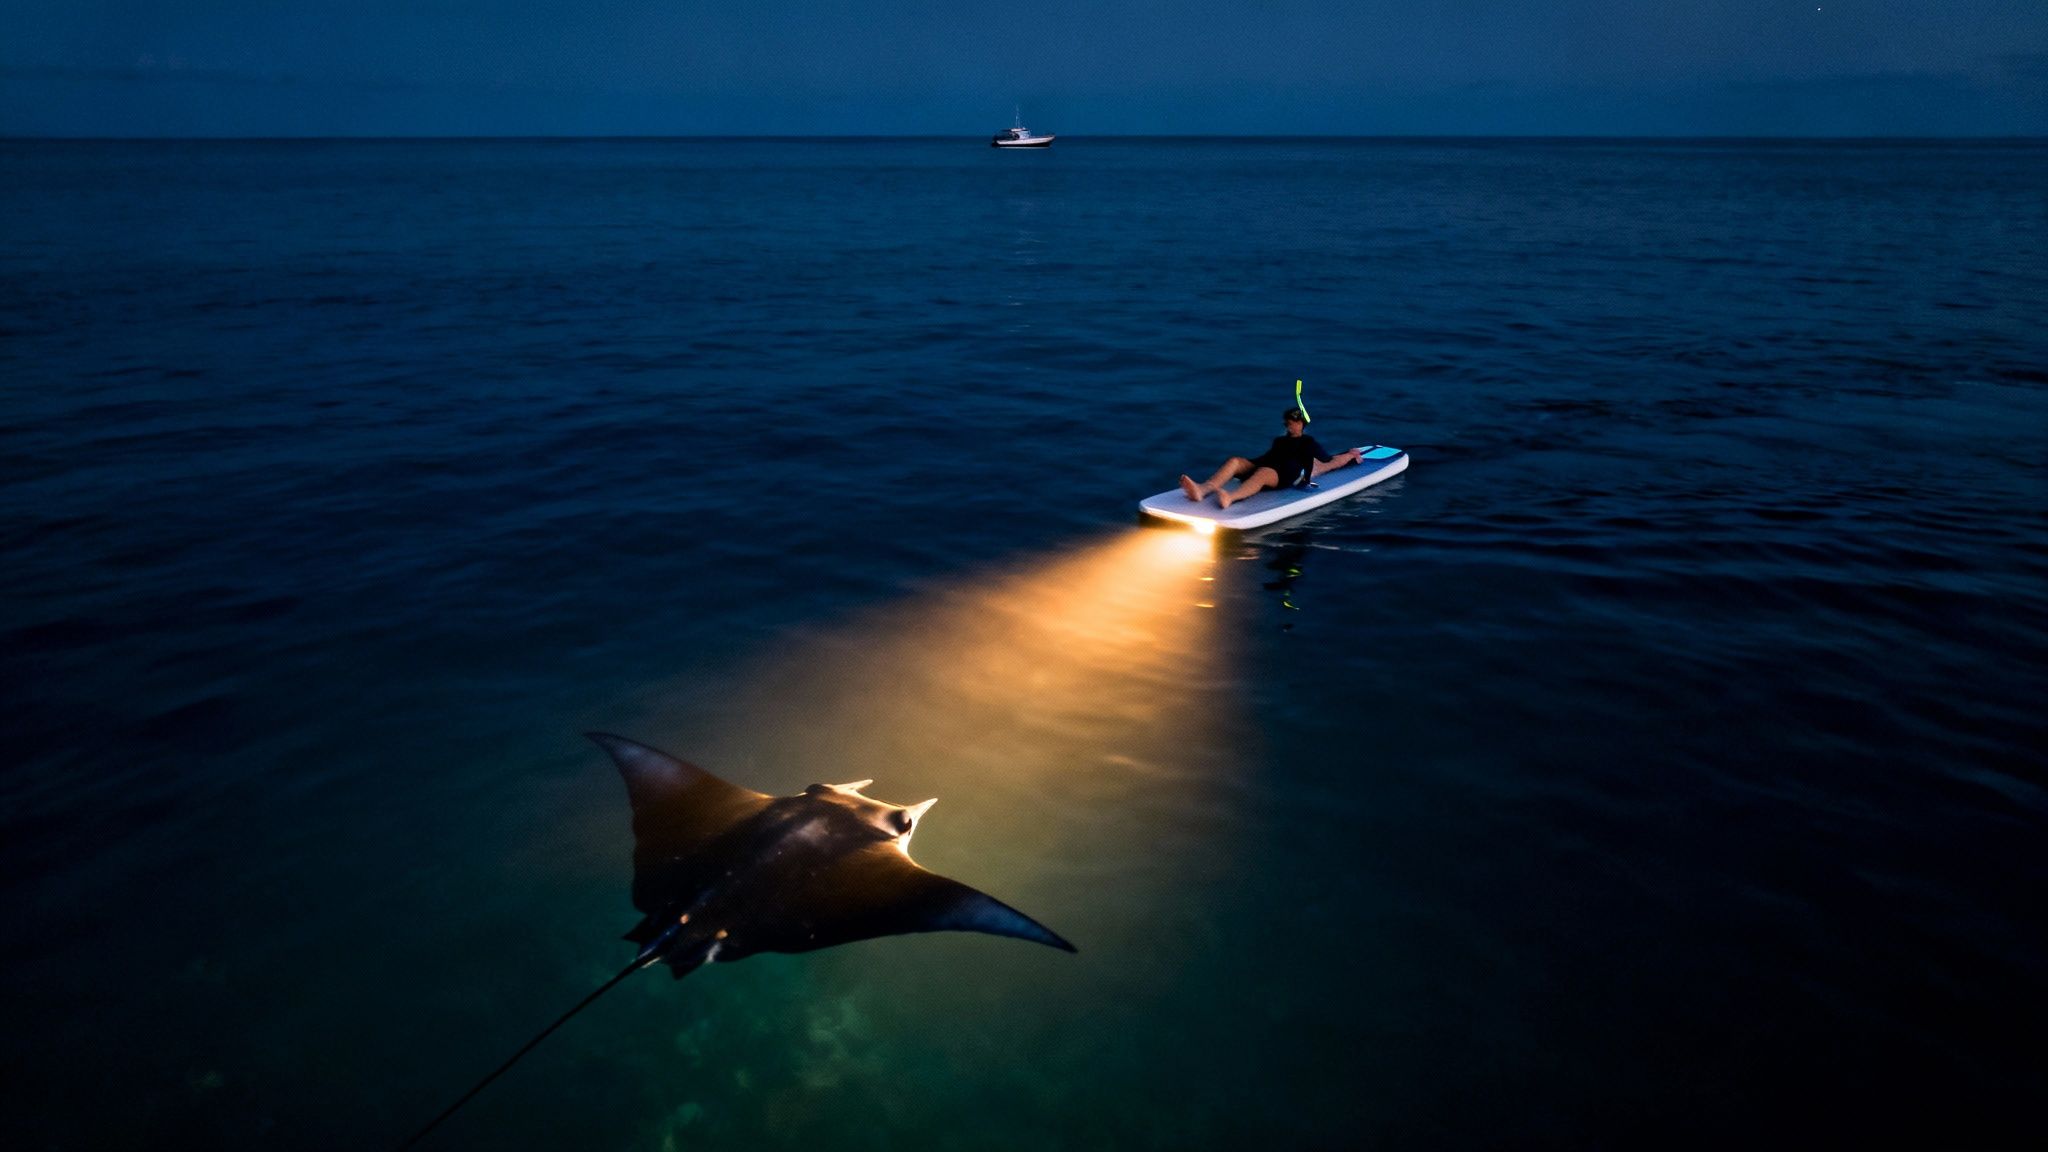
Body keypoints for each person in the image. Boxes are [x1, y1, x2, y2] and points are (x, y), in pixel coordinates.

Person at [1177, 408, 1365, 509]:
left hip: (1284, 474)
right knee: (1235, 461)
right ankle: (1203, 490)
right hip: (1267, 463)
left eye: (1292, 423)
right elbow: (1268, 457)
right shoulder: (1280, 440)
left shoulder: (1309, 442)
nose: (1288, 426)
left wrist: (1349, 456)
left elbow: (1328, 461)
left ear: (1300, 424)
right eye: (1288, 423)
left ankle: (1231, 498)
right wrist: (1247, 465)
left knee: (1263, 473)